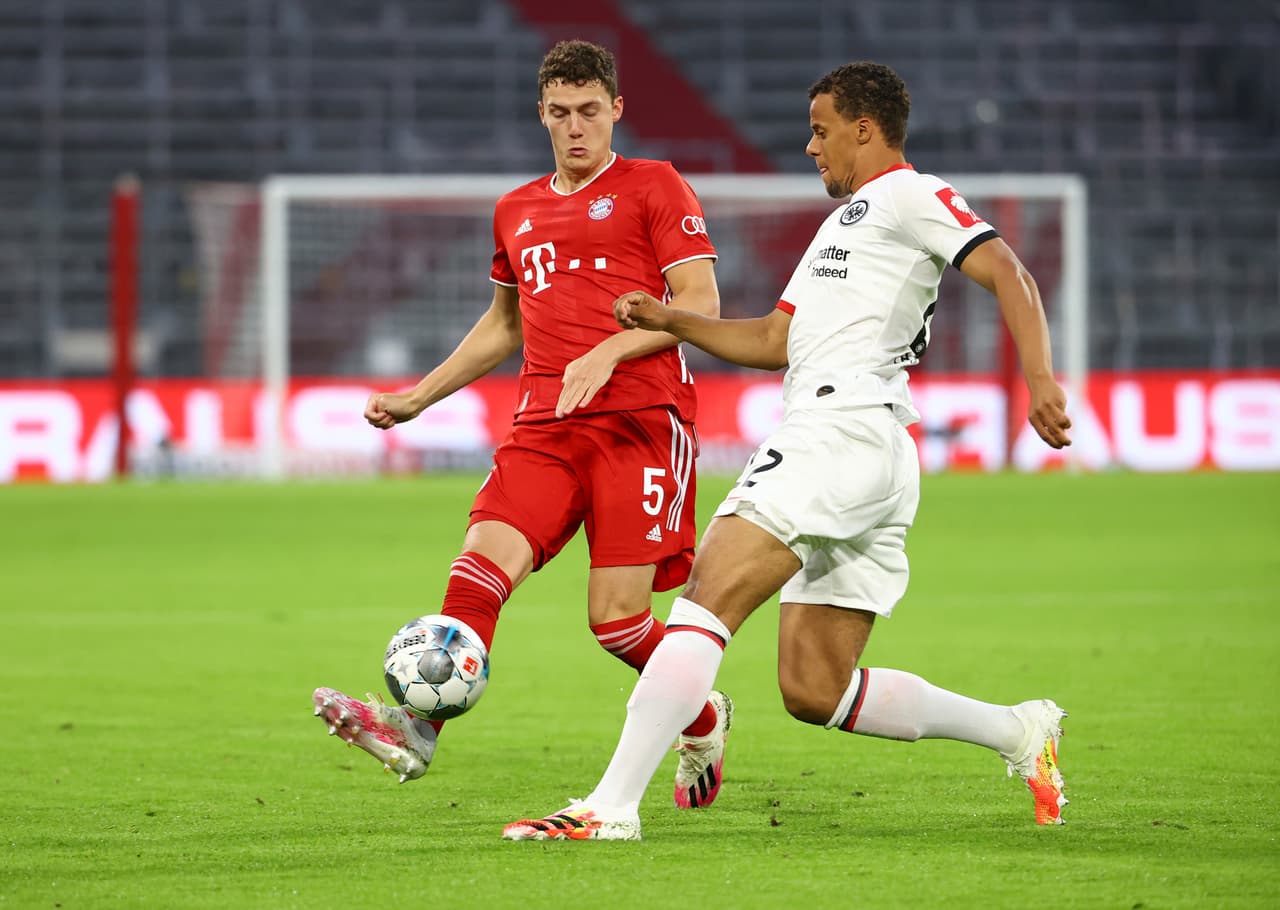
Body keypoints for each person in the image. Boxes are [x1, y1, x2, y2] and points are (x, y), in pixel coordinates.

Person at [502, 61, 1074, 842]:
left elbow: (1007, 269)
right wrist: (669, 321)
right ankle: (1019, 731)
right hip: (867, 448)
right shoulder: (848, 222)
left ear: (864, 130)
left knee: (705, 596)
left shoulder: (910, 193)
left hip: (840, 432)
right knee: (816, 687)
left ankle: (610, 807)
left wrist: (1039, 378)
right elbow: (774, 340)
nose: (810, 147)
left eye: (821, 128)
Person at [313, 39, 734, 809]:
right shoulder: (516, 208)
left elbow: (701, 307)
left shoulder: (655, 185)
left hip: (642, 421)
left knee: (616, 623)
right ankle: (416, 726)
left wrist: (612, 350)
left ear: (616, 111)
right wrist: (420, 395)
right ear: (541, 114)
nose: (577, 128)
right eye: (562, 114)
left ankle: (704, 715)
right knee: (479, 563)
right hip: (544, 423)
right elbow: (505, 324)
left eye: (591, 112)